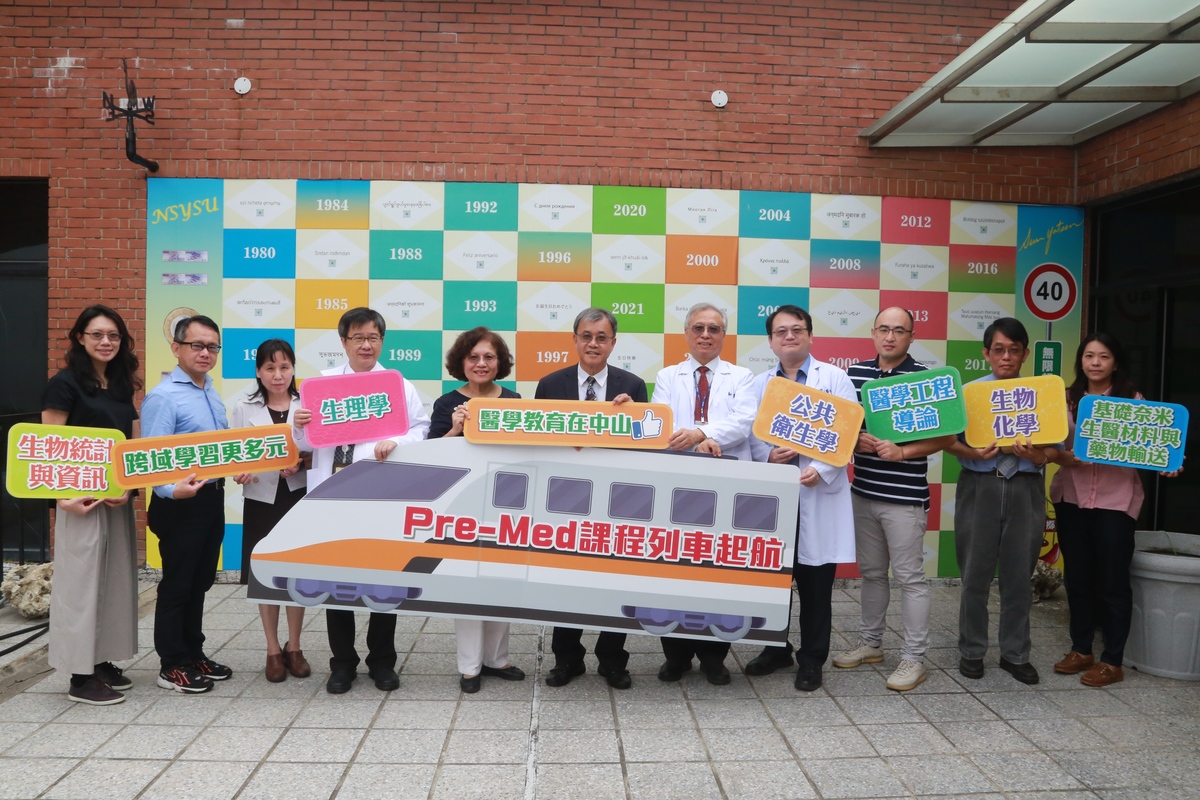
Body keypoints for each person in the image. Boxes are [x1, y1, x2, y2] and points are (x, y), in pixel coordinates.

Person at [293, 307, 430, 694]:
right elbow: (304, 444)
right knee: (336, 583)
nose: (366, 345)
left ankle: (382, 662)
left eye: (373, 337)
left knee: (383, 581)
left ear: (381, 342)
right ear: (343, 343)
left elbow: (420, 430)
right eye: (358, 338)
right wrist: (298, 425)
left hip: (379, 498)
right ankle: (342, 664)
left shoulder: (397, 385)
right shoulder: (320, 385)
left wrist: (398, 441)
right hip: (332, 498)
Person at [1047, 333, 1181, 687]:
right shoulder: (1067, 399)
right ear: (1081, 362)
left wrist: (1168, 462)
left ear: (1115, 363)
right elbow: (1055, 444)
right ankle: (1081, 649)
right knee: (1077, 577)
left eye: (1103, 356)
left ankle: (1112, 660)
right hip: (1071, 498)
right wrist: (1057, 454)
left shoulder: (1133, 402)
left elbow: (1155, 446)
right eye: (1089, 356)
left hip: (1116, 502)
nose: (1095, 363)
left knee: (1112, 581)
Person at [835, 308, 956, 691]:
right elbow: (839, 426)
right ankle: (871, 643)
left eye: (899, 330)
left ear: (911, 336)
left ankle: (914, 658)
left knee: (910, 579)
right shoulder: (852, 375)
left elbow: (948, 437)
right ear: (872, 332)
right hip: (863, 492)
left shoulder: (924, 379)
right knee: (871, 573)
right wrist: (856, 440)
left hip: (904, 498)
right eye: (884, 329)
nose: (890, 337)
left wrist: (902, 451)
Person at [743, 305, 856, 692]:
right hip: (775, 496)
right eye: (781, 332)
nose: (789, 336)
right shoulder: (759, 384)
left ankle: (811, 659)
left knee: (815, 583)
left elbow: (847, 433)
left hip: (817, 491)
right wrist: (767, 456)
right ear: (771, 341)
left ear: (809, 335)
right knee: (772, 580)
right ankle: (775, 648)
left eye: (797, 330)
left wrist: (820, 471)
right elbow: (750, 436)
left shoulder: (835, 378)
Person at [534, 307, 648, 691]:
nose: (593, 343)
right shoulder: (550, 384)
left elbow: (643, 448)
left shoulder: (633, 386)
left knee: (615, 582)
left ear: (613, 343)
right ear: (575, 339)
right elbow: (539, 448)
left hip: (617, 503)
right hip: (565, 502)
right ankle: (567, 659)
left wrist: (633, 419)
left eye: (602, 337)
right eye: (586, 335)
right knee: (566, 583)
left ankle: (613, 660)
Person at [945, 317, 1058, 685]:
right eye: (998, 349)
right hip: (980, 486)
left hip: (1025, 487)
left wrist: (1041, 456)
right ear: (986, 353)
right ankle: (972, 651)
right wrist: (973, 453)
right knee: (975, 574)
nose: (1006, 356)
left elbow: (1058, 446)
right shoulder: (969, 394)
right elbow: (948, 441)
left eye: (1014, 350)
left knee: (1018, 577)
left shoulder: (1042, 395)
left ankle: (1015, 654)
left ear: (1025, 354)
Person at [651, 302, 757, 685]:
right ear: (687, 333)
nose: (706, 335)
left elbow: (743, 423)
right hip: (679, 488)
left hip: (728, 490)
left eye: (714, 329)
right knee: (674, 570)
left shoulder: (742, 377)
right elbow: (665, 423)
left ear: (724, 336)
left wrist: (702, 434)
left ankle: (715, 656)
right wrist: (697, 439)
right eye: (698, 328)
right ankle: (676, 655)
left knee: (720, 571)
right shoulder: (667, 376)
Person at [43, 305, 142, 705]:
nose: (106, 342)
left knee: (115, 583)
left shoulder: (121, 386)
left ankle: (100, 660)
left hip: (116, 499)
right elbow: (48, 449)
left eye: (113, 336)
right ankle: (79, 677)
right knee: (81, 586)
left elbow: (133, 446)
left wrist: (131, 491)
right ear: (80, 338)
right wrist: (62, 500)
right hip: (80, 501)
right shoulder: (63, 384)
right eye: (97, 334)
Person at [429, 326, 526, 693]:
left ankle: (497, 659)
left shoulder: (515, 400)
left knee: (502, 582)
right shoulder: (446, 403)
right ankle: (470, 667)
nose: (481, 363)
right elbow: (431, 456)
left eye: (489, 357)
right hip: (463, 506)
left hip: (507, 504)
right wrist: (454, 429)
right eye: (473, 357)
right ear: (461, 363)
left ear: (499, 363)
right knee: (467, 585)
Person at [143, 314, 233, 694]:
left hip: (211, 499)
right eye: (197, 345)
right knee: (178, 584)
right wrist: (169, 490)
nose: (205, 353)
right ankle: (172, 664)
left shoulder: (210, 391)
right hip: (180, 504)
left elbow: (219, 450)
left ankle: (193, 653)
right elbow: (149, 457)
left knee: (200, 580)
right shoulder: (163, 397)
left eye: (212, 346)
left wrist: (238, 468)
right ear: (177, 348)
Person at [231, 339, 312, 683]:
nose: (278, 375)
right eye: (269, 368)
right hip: (261, 499)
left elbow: (320, 452)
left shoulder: (307, 405)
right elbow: (235, 454)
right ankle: (272, 650)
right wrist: (239, 471)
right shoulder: (242, 408)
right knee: (264, 573)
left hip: (299, 497)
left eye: (284, 367)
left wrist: (301, 463)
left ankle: (295, 646)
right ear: (258, 372)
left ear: (293, 369)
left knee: (296, 572)